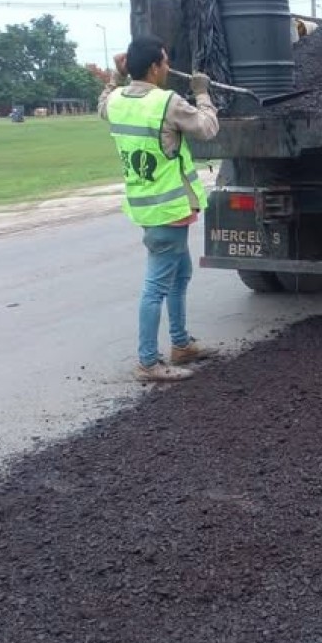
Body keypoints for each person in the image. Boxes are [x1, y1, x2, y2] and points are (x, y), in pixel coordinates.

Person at [98, 34, 219, 382]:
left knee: (180, 274)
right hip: (168, 208)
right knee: (156, 287)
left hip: (148, 205)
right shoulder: (167, 102)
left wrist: (114, 76)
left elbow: (103, 101)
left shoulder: (117, 101)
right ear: (154, 68)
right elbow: (207, 128)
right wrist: (202, 92)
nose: (167, 67)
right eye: (164, 62)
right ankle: (148, 362)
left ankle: (181, 344)